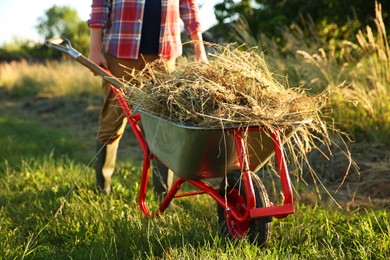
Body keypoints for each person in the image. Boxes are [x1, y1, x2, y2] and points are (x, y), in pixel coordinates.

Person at [88, 0, 208, 195]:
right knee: (112, 123)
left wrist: (199, 50)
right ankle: (103, 188)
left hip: (163, 59)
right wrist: (95, 49)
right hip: (121, 54)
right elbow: (100, 5)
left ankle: (163, 194)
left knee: (162, 128)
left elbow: (188, 7)